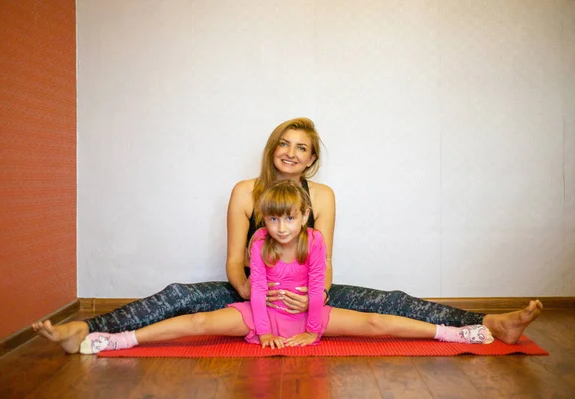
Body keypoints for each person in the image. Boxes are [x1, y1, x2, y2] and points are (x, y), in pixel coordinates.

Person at [32, 117, 542, 354]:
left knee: (391, 301)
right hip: (253, 292)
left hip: (309, 293)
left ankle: (489, 322)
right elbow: (235, 260)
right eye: (285, 143)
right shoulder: (244, 191)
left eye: (302, 148)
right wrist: (260, 299)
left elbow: (326, 261)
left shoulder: (322, 198)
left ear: (312, 159)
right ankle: (89, 328)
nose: (292, 152)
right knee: (180, 297)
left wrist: (312, 299)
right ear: (273, 148)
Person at [75, 180, 493, 354]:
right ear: (264, 218)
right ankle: (120, 340)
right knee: (199, 324)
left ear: (305, 215)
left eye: (289, 218)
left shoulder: (314, 241)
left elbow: (317, 282)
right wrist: (265, 330)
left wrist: (313, 330)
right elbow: (256, 289)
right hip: (265, 313)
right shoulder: (260, 241)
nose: (280, 227)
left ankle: (456, 331)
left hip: (308, 310)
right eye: (272, 219)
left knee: (374, 323)